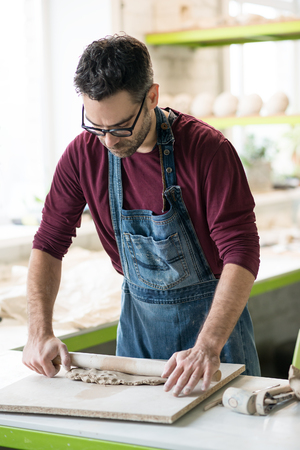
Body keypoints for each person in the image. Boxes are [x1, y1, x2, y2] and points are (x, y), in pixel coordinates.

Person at [22, 34, 261, 397]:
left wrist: (207, 346)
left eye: (119, 127)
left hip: (214, 341)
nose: (108, 141)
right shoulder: (84, 155)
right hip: (137, 335)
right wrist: (39, 333)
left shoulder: (208, 151)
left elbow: (241, 253)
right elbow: (49, 244)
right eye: (96, 126)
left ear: (152, 96)